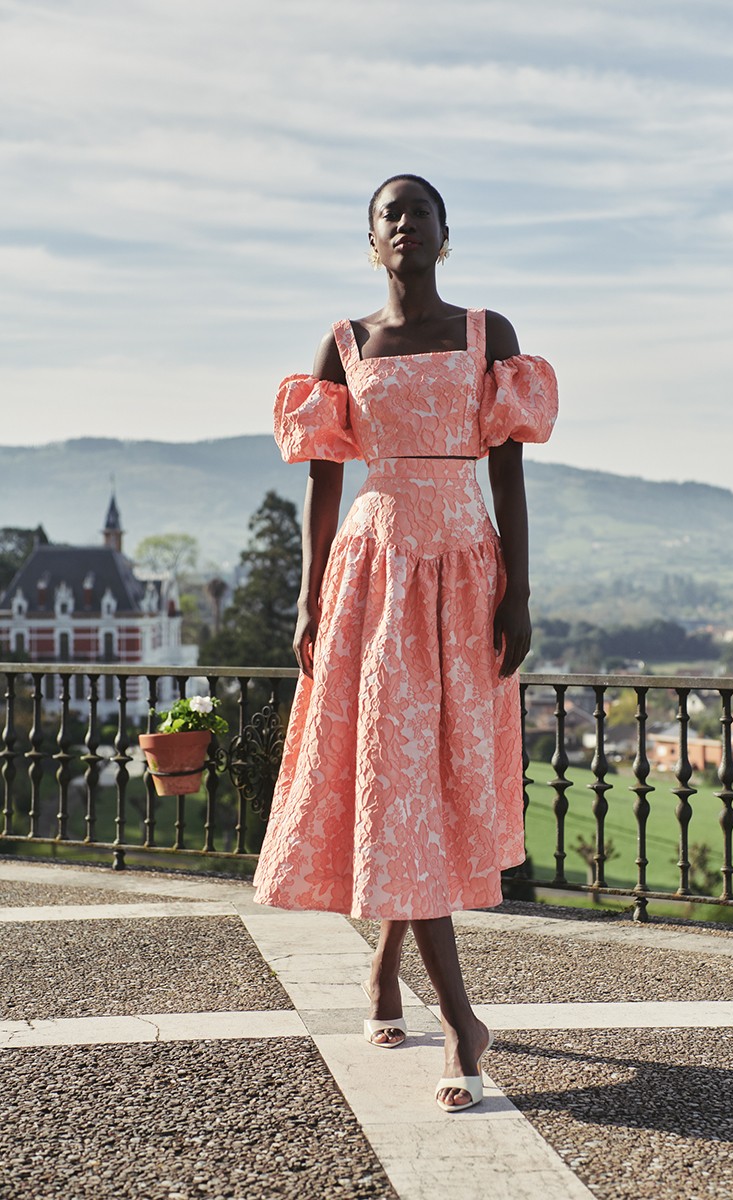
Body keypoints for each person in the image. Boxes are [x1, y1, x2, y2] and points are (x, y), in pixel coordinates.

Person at [253, 174, 558, 1112]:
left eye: (420, 212)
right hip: (373, 572)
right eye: (390, 213)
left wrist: (518, 587)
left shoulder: (486, 335)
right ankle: (461, 1019)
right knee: (393, 776)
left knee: (428, 779)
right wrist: (308, 600)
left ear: (444, 235)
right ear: (372, 239)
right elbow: (321, 486)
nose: (406, 225)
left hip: (463, 570)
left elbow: (507, 471)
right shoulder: (344, 346)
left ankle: (386, 972)